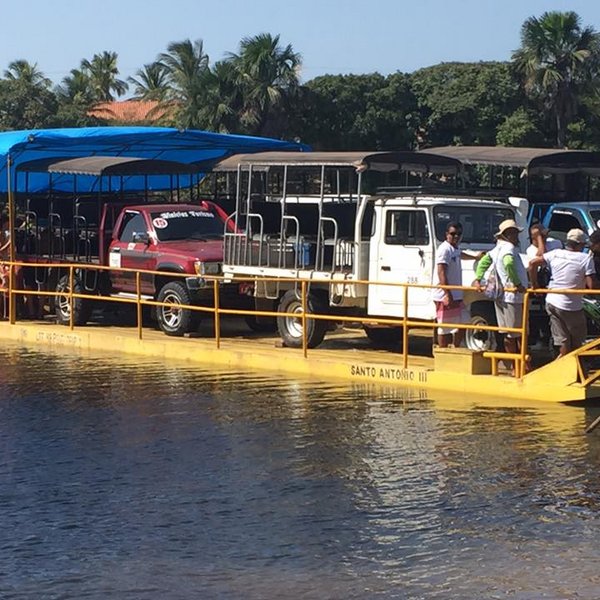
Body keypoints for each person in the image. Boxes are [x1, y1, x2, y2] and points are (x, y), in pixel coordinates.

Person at [528, 228, 595, 358]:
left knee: (563, 340)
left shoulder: (555, 253)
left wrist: (535, 284)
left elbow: (532, 263)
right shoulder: (585, 258)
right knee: (578, 341)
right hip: (571, 305)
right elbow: (591, 285)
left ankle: (562, 367)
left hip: (552, 300)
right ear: (580, 245)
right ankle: (574, 369)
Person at [473, 219, 528, 373]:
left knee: (507, 332)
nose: (517, 236)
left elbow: (484, 261)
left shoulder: (496, 249)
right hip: (512, 297)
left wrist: (478, 278)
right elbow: (509, 263)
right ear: (509, 234)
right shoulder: (509, 248)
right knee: (516, 332)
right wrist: (517, 283)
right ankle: (518, 366)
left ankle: (513, 364)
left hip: (501, 296)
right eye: (516, 233)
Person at [432, 222, 480, 348]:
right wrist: (447, 294)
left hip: (457, 294)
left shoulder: (455, 248)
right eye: (453, 234)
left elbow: (460, 254)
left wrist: (475, 257)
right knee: (445, 327)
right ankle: (443, 352)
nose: (456, 236)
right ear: (447, 234)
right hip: (445, 295)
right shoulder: (444, 249)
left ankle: (456, 347)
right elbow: (441, 272)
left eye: (459, 234)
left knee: (463, 322)